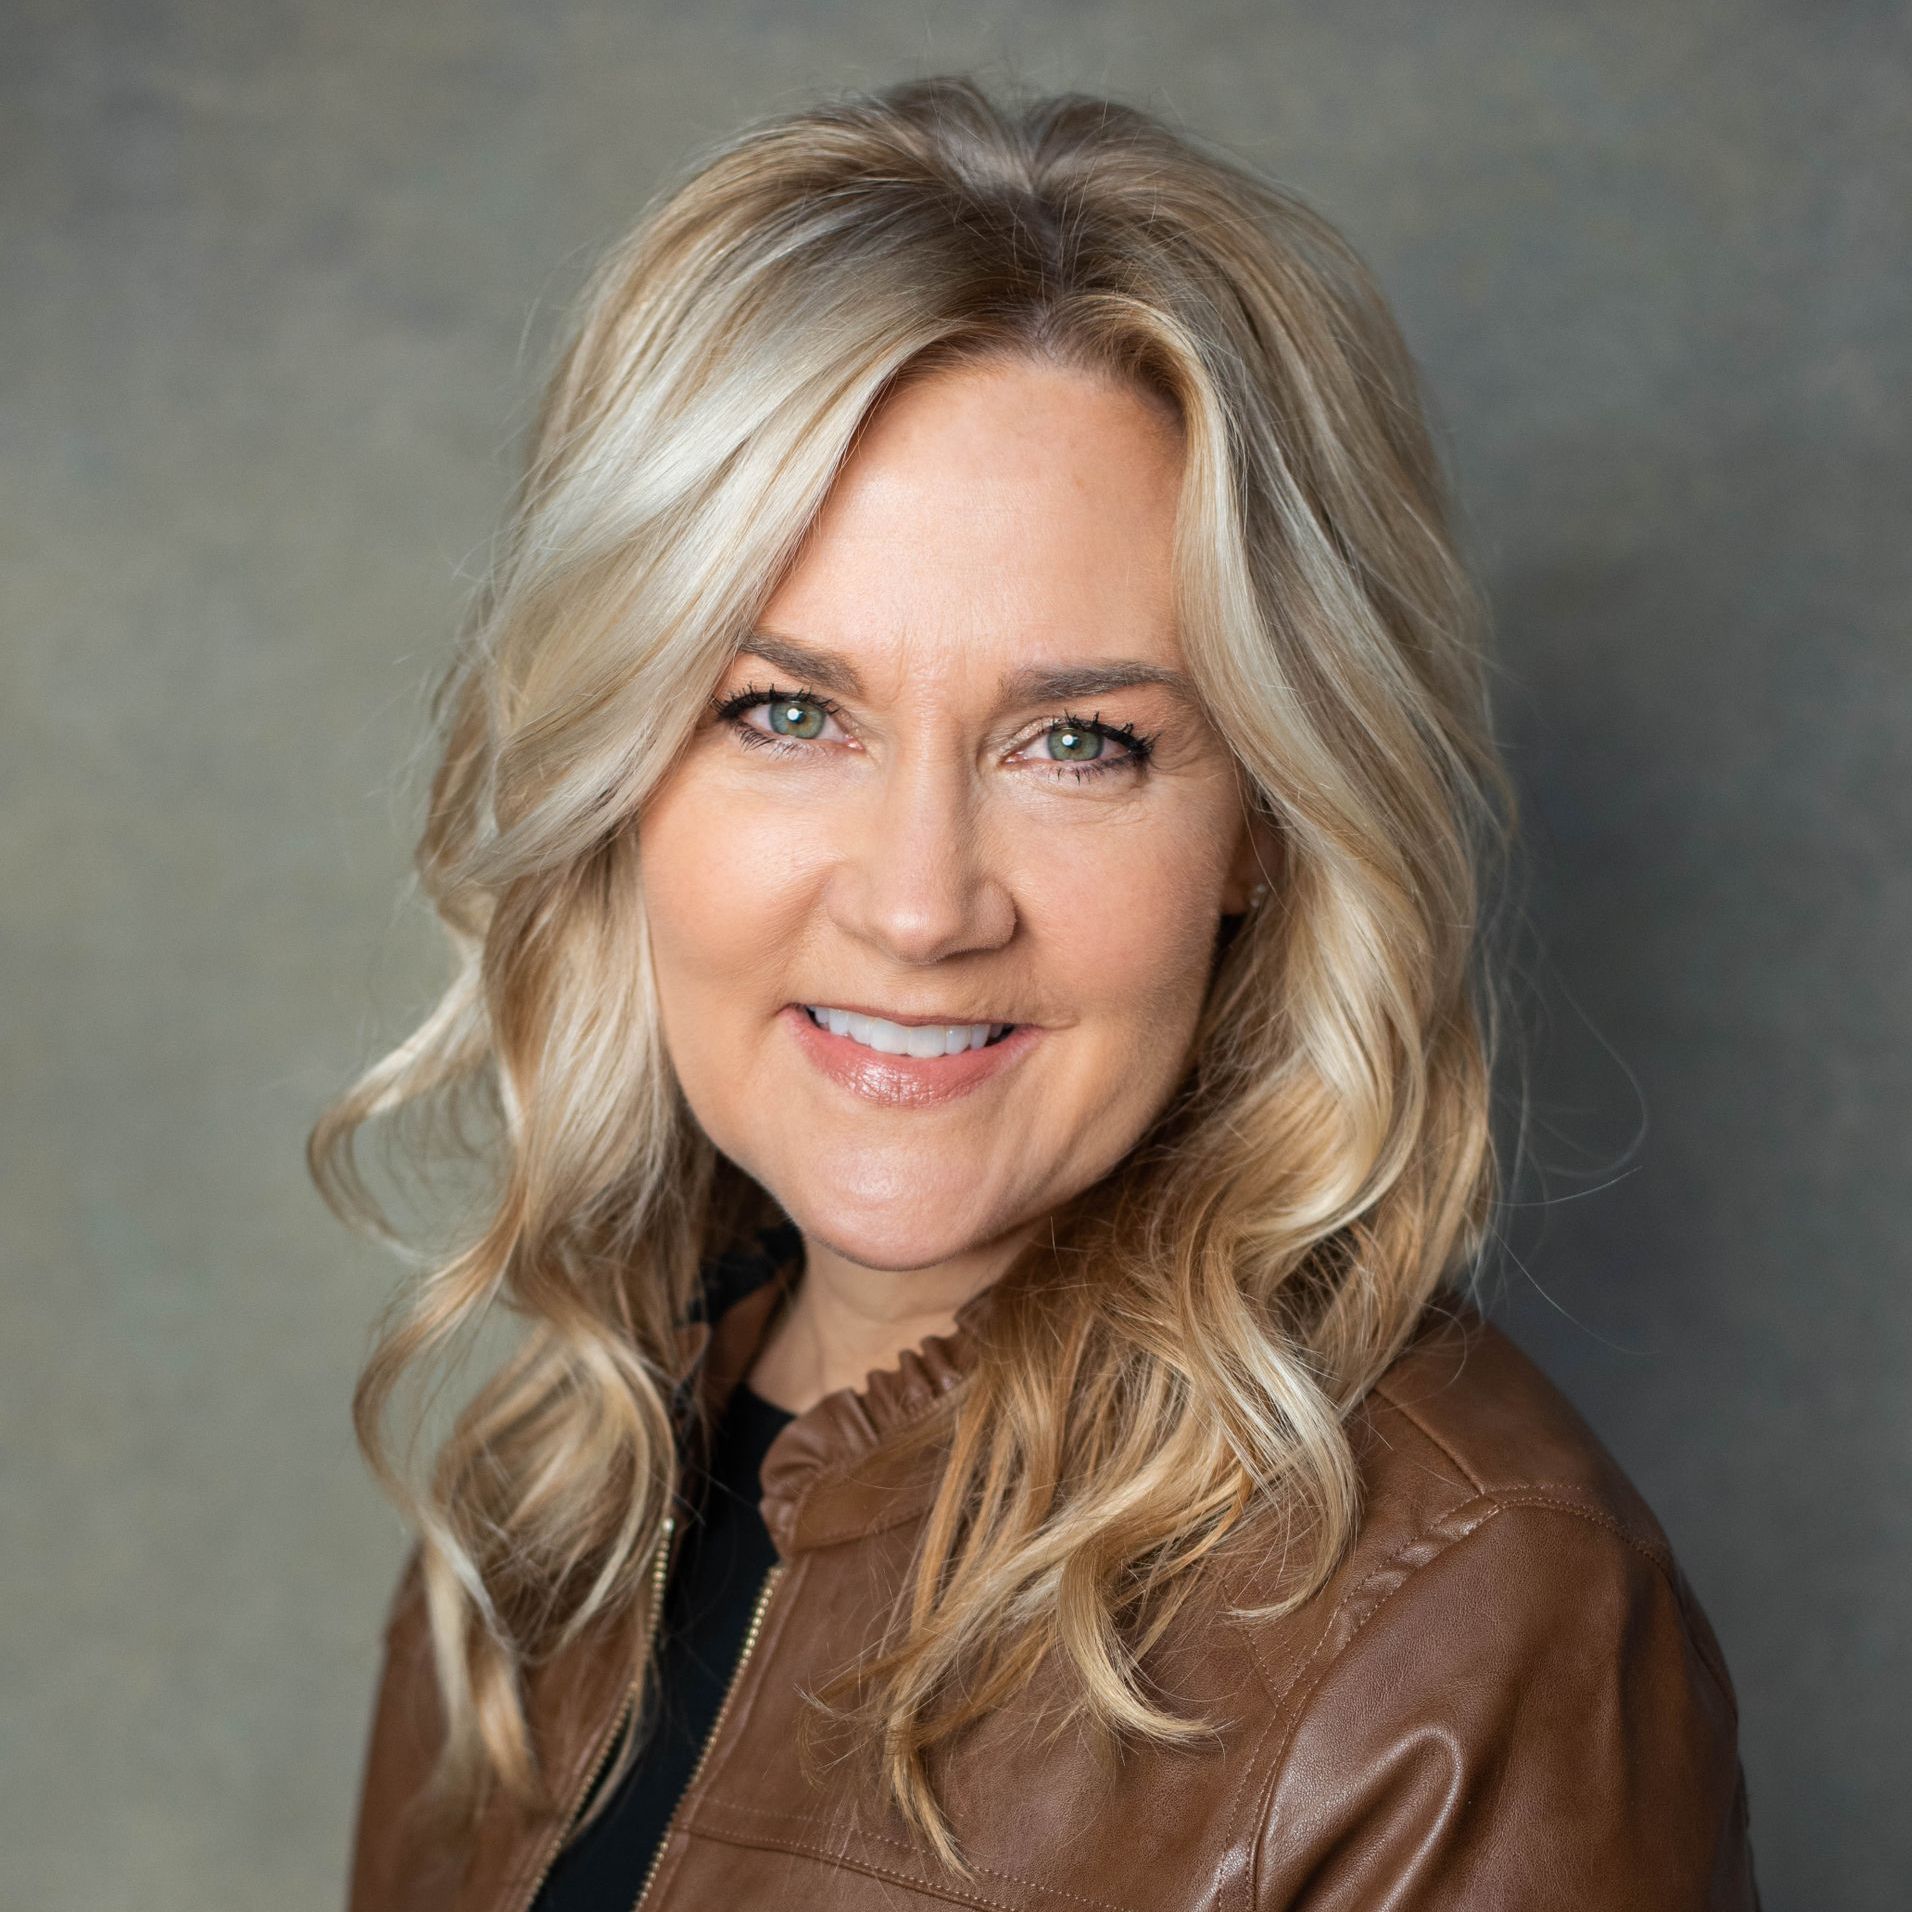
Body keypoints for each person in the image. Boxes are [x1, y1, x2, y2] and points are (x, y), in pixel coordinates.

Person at [320, 74, 1761, 1912]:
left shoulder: (1473, 1625)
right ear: (622, 775)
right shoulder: (557, 1505)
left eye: (1079, 741)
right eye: (786, 712)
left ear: (1266, 821)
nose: (921, 905)